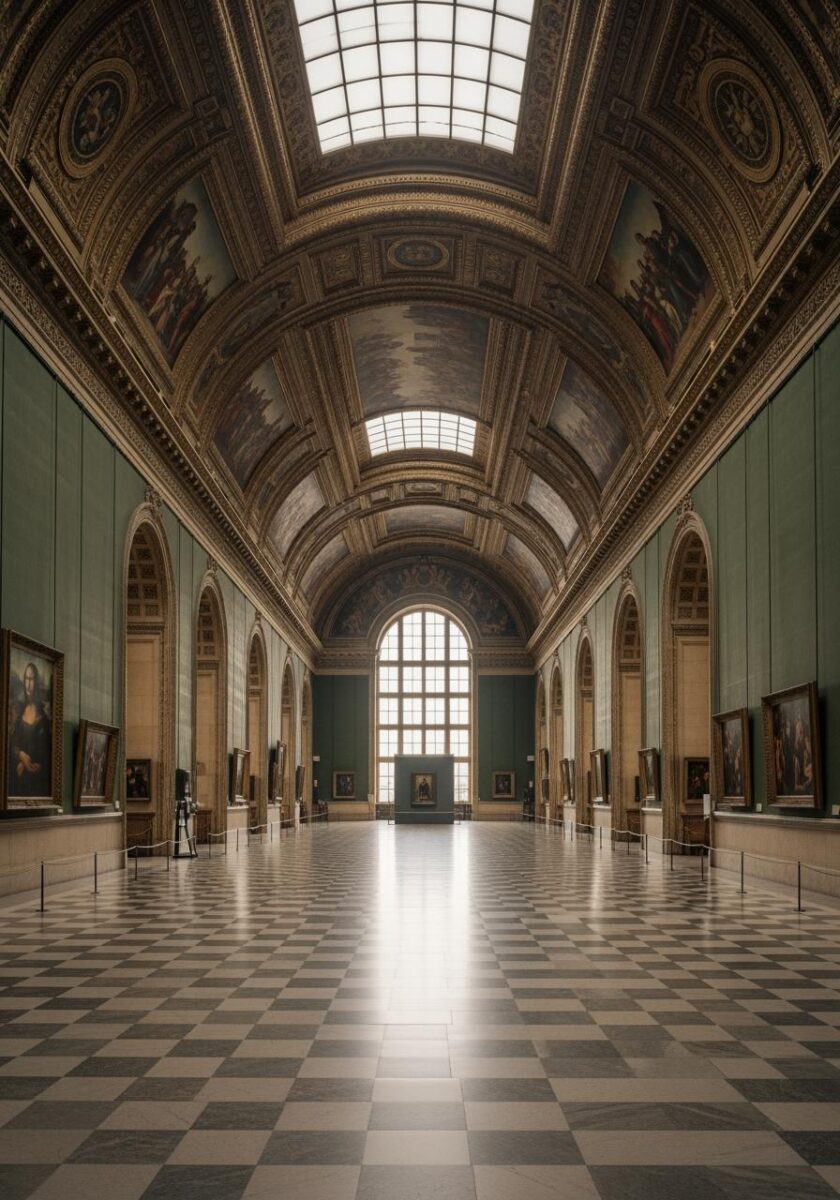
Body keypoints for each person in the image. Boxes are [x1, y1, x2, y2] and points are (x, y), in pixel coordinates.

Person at [9, 662, 51, 798]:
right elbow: (11, 742)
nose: (28, 684)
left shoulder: (43, 718)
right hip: (17, 776)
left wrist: (32, 764)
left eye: (31, 679)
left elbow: (45, 752)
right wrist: (20, 755)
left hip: (36, 779)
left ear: (36, 681)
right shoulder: (19, 710)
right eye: (26, 679)